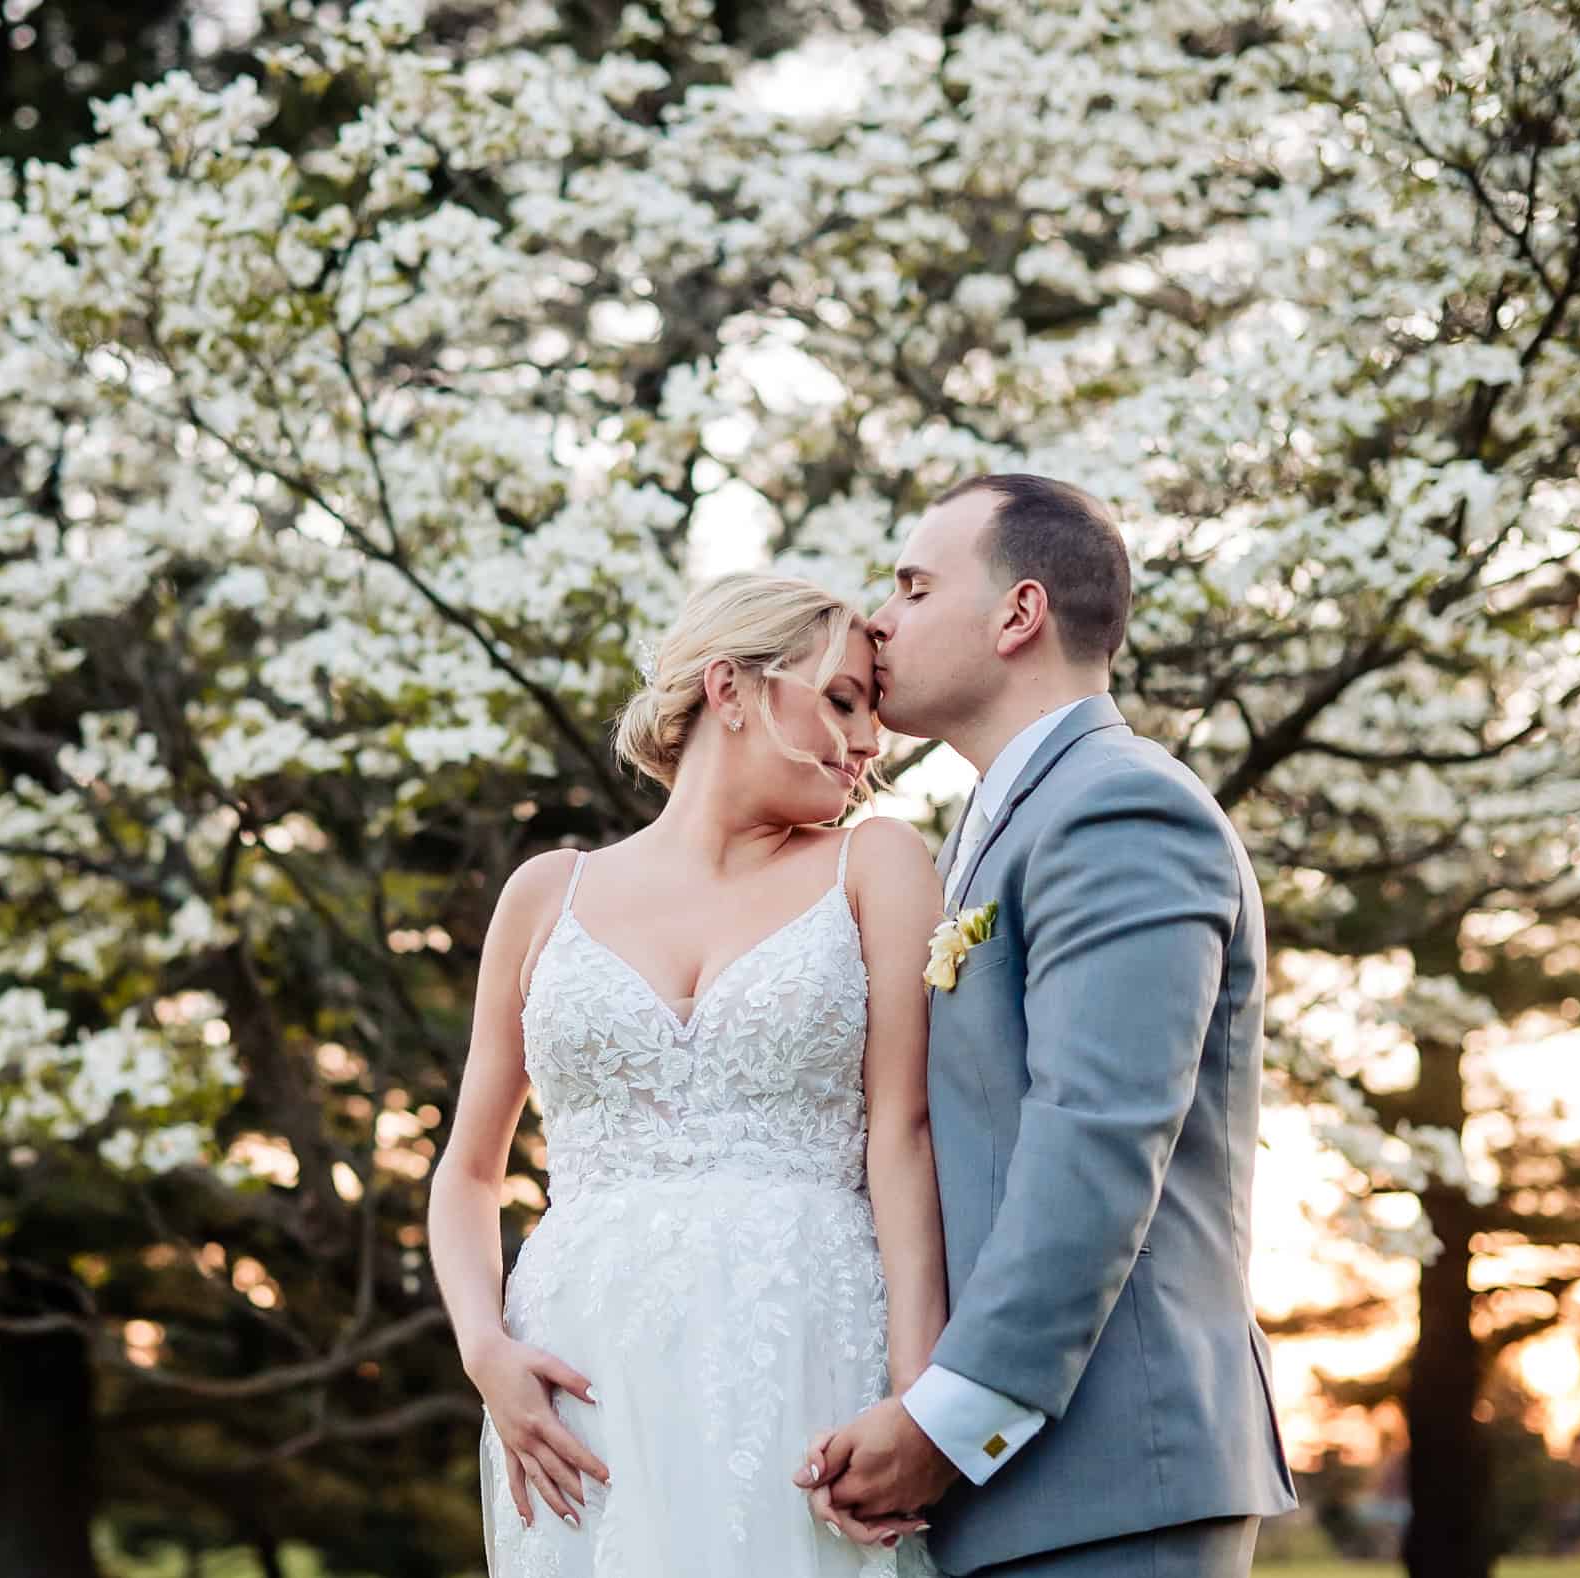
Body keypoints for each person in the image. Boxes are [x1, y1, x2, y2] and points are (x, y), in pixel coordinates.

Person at [797, 475, 1299, 1576]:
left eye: (913, 587)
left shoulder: (1121, 806)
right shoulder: (997, 824)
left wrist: (950, 1418)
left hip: (1112, 1479)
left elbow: (1098, 1135)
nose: (879, 622)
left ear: (1018, 613)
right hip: (1022, 1488)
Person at [428, 571, 949, 1575]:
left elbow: (904, 1136)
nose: (870, 744)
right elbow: (468, 1172)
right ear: (730, 688)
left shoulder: (875, 864)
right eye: (843, 701)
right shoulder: (546, 893)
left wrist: (917, 1397)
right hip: (575, 1363)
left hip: (802, 1333)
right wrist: (484, 1350)